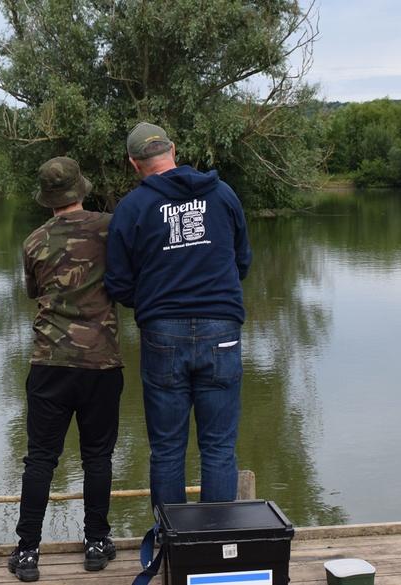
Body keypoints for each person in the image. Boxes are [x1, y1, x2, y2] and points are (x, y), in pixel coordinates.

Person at [105, 122, 253, 508]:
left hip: (162, 334)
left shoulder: (132, 208)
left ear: (134, 163)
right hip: (222, 329)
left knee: (168, 449)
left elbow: (118, 283)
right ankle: (216, 544)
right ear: (173, 148)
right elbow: (242, 261)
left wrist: (156, 301)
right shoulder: (223, 195)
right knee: (219, 448)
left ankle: (170, 546)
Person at [8, 157, 124, 582]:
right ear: (81, 188)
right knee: (97, 456)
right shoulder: (111, 228)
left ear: (47, 199)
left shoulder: (34, 241)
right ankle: (96, 543)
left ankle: (27, 551)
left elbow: (33, 293)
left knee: (40, 458)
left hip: (50, 362)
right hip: (101, 362)